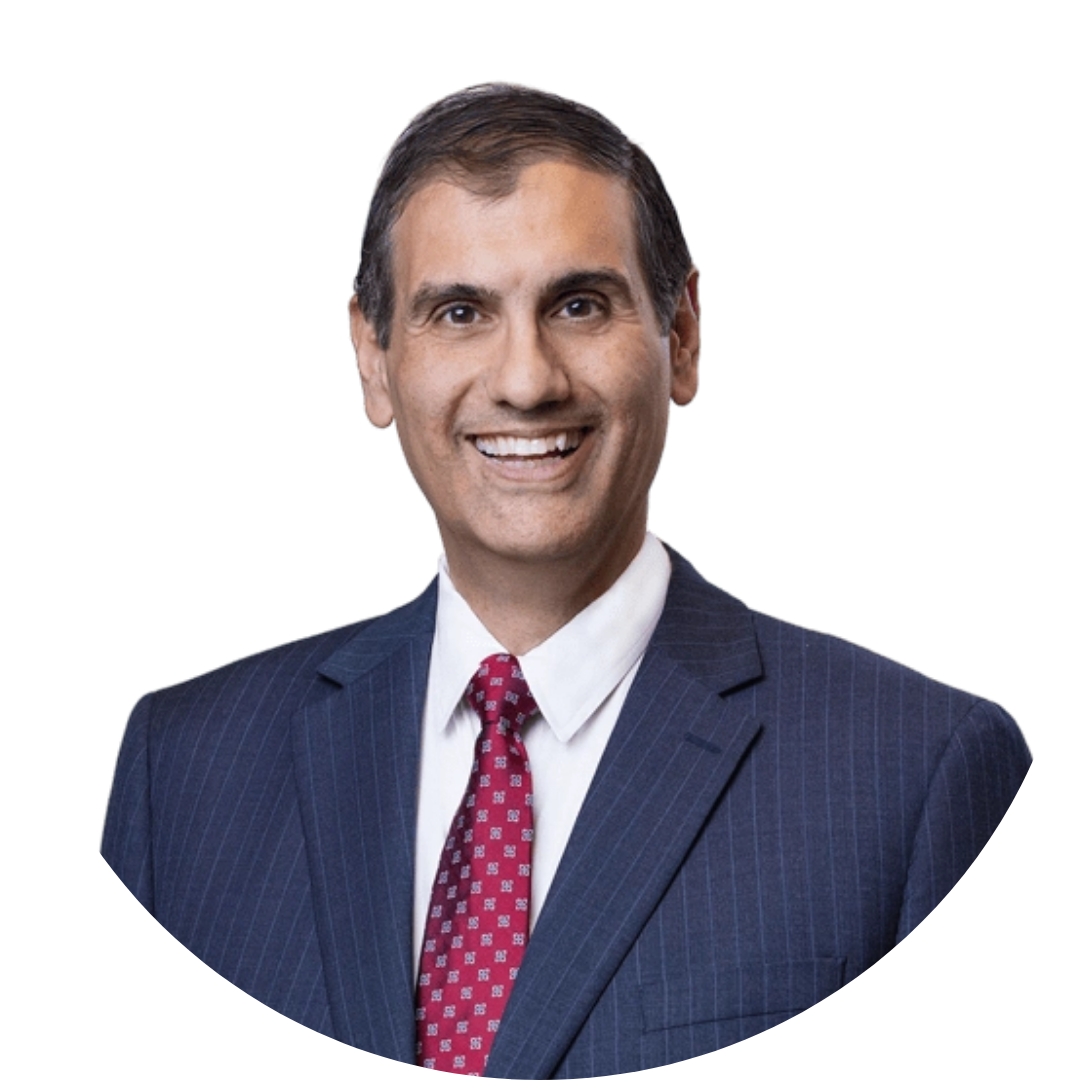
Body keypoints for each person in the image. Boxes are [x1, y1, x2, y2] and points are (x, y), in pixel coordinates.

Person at [99, 82, 1032, 1074]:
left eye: (579, 305)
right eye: (460, 311)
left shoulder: (919, 771)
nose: (527, 380)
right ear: (373, 358)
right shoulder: (182, 770)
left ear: (682, 335)